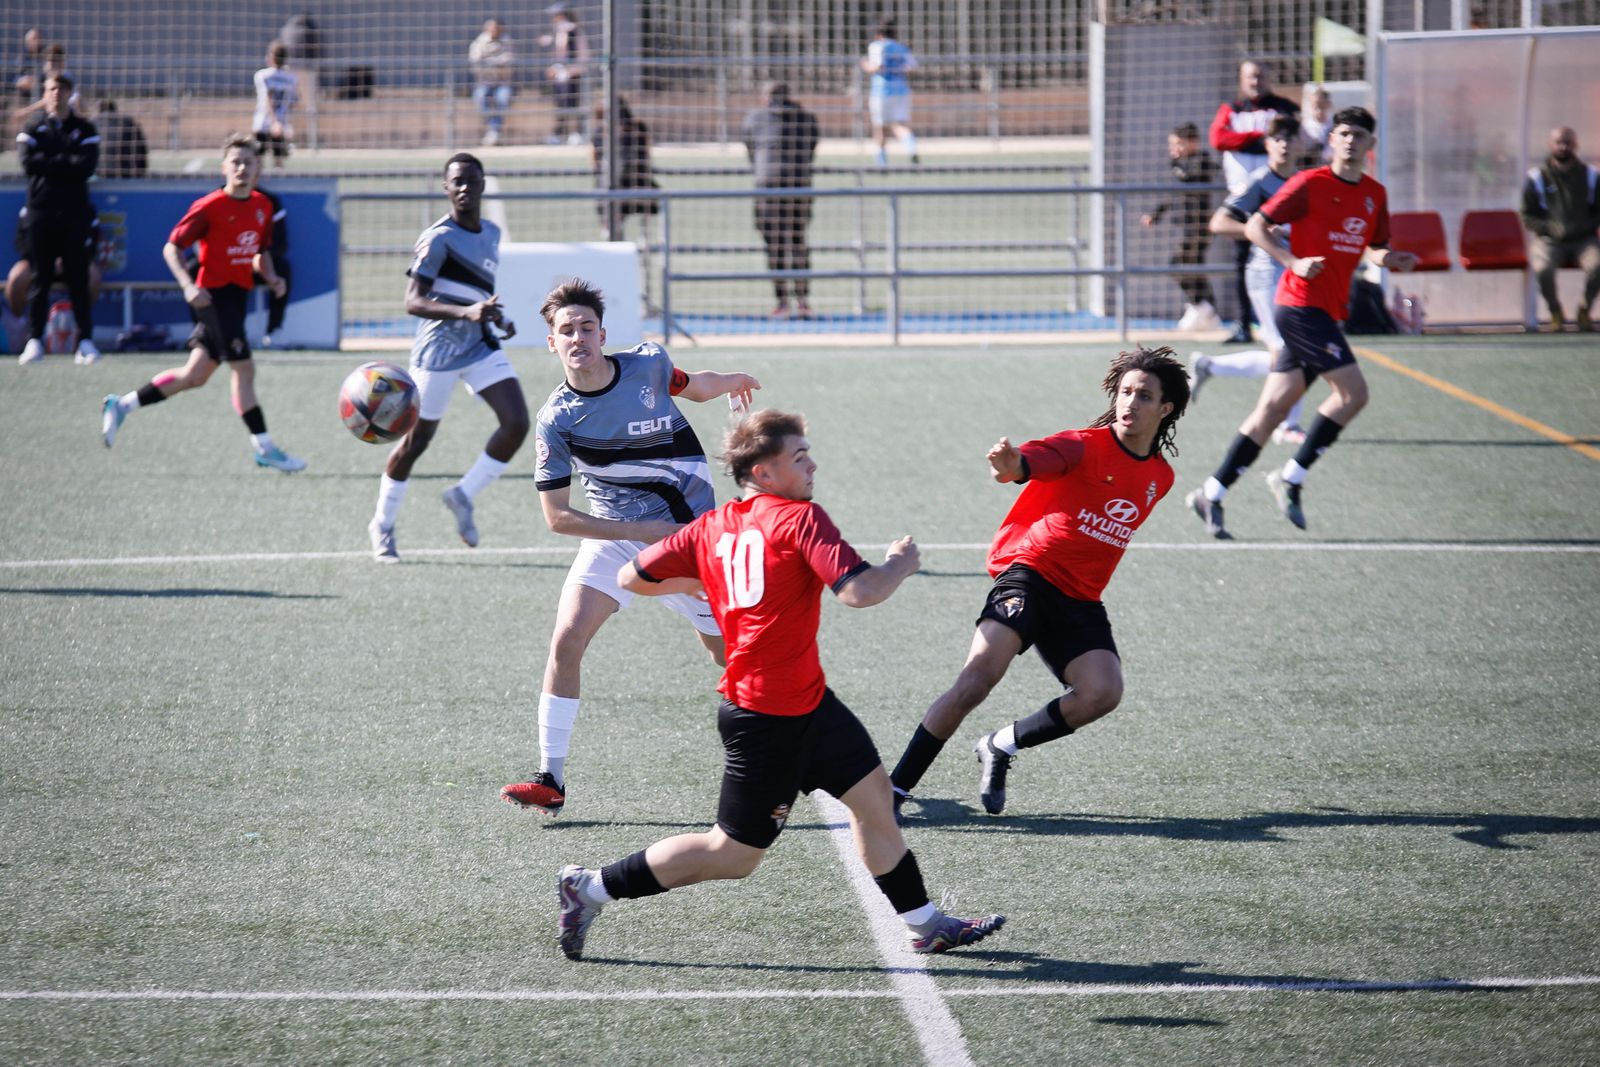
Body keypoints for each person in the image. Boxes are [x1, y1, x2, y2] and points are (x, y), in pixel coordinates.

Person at [555, 409, 1006, 960]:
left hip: (810, 703)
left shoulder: (712, 526)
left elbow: (632, 575)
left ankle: (927, 922)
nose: (813, 464)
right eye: (799, 457)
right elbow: (859, 592)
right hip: (767, 717)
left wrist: (703, 579)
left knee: (874, 804)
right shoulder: (800, 519)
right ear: (764, 474)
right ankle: (589, 888)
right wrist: (900, 565)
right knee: (733, 856)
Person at [888, 347, 1189, 818]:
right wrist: (1009, 465)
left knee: (1102, 694)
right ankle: (894, 792)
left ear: (1165, 408)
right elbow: (1026, 464)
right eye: (1125, 392)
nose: (1130, 402)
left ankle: (1000, 745)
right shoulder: (1083, 445)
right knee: (976, 681)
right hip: (1028, 577)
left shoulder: (1160, 477)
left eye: (1144, 395)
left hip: (1081, 600)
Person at [500, 278, 761, 817]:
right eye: (566, 330)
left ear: (603, 333)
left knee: (730, 657)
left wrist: (734, 379)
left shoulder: (647, 365)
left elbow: (693, 384)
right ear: (551, 342)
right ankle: (551, 777)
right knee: (567, 640)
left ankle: (775, 751)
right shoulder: (556, 421)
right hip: (620, 537)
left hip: (691, 539)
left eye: (586, 328)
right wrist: (638, 533)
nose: (578, 338)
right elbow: (557, 518)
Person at [1187, 107, 1417, 540]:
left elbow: (1374, 248)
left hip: (1328, 311)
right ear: (1331, 139)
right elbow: (1256, 226)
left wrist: (1393, 258)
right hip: (1298, 306)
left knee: (1271, 412)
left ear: (1371, 144)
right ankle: (1291, 476)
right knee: (1354, 393)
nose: (1350, 141)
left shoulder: (1374, 195)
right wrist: (1293, 261)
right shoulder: (1309, 184)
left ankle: (1211, 492)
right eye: (1343, 133)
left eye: (1359, 135)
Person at [99, 134, 304, 473]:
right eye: (235, 162)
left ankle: (122, 405)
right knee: (244, 369)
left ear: (257, 169)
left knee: (195, 375)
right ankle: (265, 447)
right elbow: (171, 247)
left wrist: (271, 277)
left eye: (248, 162)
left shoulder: (262, 206)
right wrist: (187, 286)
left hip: (237, 295)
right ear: (224, 167)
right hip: (213, 296)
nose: (241, 168)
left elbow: (260, 251)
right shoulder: (210, 207)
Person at [367, 153, 525, 563]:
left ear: (484, 183)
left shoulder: (491, 233)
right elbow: (412, 301)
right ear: (445, 187)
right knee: (415, 443)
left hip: (479, 344)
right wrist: (465, 313)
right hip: (437, 353)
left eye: (472, 180)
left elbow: (474, 294)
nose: (465, 188)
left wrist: (495, 318)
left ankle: (463, 494)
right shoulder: (437, 238)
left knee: (517, 423)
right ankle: (382, 525)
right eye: (457, 181)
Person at [1190, 114, 1307, 444]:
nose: (1284, 144)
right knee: (1288, 349)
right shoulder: (1260, 183)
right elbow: (1219, 223)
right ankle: (1287, 426)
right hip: (1265, 273)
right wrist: (1258, 231)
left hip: (1294, 271)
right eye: (1277, 139)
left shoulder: (1305, 182)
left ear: (1301, 143)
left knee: (1280, 352)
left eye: (1290, 137)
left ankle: (1211, 366)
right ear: (1267, 145)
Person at [1210, 60, 1300, 344]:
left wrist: (1247, 141)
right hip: (1244, 200)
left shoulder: (1283, 107)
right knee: (1243, 262)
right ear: (1241, 79)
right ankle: (1243, 322)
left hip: (1279, 195)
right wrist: (1257, 137)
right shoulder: (1231, 109)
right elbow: (1218, 138)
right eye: (1250, 76)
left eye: (1261, 75)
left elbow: (1291, 131)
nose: (1255, 81)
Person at [16, 73, 99, 367]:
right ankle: (35, 340)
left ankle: (85, 341)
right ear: (45, 93)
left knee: (79, 278)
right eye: (51, 89)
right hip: (41, 213)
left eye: (62, 90)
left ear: (70, 94)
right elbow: (28, 163)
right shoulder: (33, 126)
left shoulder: (84, 128)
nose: (56, 94)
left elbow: (86, 165)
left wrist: (50, 162)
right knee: (41, 278)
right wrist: (66, 161)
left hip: (74, 214)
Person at [742, 81, 820, 320]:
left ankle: (782, 303)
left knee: (774, 245)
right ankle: (803, 301)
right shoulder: (806, 118)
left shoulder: (755, 118)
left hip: (768, 186)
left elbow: (750, 147)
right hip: (798, 185)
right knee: (798, 241)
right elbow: (811, 148)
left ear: (765, 97)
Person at [1140, 122, 1221, 332]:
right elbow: (1172, 193)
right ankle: (1205, 309)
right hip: (1187, 225)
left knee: (1178, 265)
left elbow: (1194, 175)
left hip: (1200, 226)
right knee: (1193, 268)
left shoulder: (1201, 161)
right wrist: (1155, 215)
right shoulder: (1179, 165)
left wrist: (1177, 165)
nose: (1173, 149)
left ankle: (1203, 307)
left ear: (1192, 143)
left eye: (1177, 144)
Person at [1520, 126, 1600, 332]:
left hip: (1584, 240)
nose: (1563, 147)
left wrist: (1583, 226)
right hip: (1549, 241)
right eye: (1559, 142)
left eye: (1568, 142)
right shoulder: (1537, 177)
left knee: (1597, 266)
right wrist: (1549, 228)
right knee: (1542, 269)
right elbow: (1527, 215)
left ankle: (1584, 310)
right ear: (1550, 145)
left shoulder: (1590, 176)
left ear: (1576, 145)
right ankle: (1556, 312)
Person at [591, 95, 659, 237]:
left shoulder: (635, 128)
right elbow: (648, 153)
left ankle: (612, 227)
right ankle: (639, 232)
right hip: (633, 186)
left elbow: (595, 161)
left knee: (607, 191)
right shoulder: (638, 127)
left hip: (625, 186)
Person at [860, 19, 918, 166]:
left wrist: (865, 65)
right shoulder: (901, 48)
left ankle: (881, 160)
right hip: (901, 91)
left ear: (878, 34)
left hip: (882, 91)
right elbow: (912, 67)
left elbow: (878, 66)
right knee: (900, 125)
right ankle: (911, 146)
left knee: (880, 127)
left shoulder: (877, 46)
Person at [540, 7, 588, 146]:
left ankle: (576, 133)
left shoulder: (571, 30)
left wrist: (566, 70)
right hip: (561, 73)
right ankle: (561, 133)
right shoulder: (559, 31)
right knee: (561, 104)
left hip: (571, 73)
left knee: (571, 103)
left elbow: (573, 54)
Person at [468, 18, 515, 147]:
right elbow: (476, 63)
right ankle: (493, 129)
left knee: (503, 98)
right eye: (491, 27)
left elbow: (509, 60)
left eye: (496, 28)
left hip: (502, 82)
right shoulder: (479, 42)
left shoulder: (507, 41)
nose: (494, 30)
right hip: (484, 82)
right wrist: (496, 63)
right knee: (480, 97)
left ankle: (493, 131)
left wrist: (491, 63)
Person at [251, 40, 297, 169]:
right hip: (281, 122)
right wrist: (286, 124)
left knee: (257, 159)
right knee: (279, 160)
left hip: (264, 122)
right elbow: (293, 101)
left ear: (271, 57)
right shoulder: (291, 77)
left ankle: (256, 187)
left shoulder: (263, 75)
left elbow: (268, 98)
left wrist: (273, 122)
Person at [252, 184, 290, 344]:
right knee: (196, 269)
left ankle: (274, 330)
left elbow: (277, 244)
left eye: (249, 163)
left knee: (282, 271)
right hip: (226, 261)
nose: (242, 169)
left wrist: (258, 261)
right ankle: (206, 329)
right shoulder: (216, 200)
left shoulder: (269, 201)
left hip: (257, 261)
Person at [95, 99, 148, 178]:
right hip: (127, 172)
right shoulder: (129, 122)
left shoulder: (92, 124)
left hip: (100, 172)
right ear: (115, 109)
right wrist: (141, 172)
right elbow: (142, 148)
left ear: (99, 110)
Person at [13, 28, 43, 103]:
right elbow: (15, 78)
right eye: (33, 39)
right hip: (24, 93)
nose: (36, 42)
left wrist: (37, 80)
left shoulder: (46, 56)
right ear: (27, 42)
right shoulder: (22, 58)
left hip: (41, 91)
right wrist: (21, 81)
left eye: (37, 38)